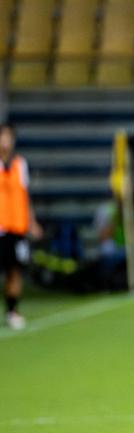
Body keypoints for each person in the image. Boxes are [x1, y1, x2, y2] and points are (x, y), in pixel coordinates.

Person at [0, 122, 42, 329]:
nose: (5, 141)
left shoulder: (20, 164)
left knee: (14, 270)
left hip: (17, 225)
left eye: (8, 137)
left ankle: (12, 310)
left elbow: (25, 196)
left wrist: (31, 222)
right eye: (2, 137)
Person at [93, 190, 134, 290]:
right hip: (115, 246)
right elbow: (102, 237)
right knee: (107, 251)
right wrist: (117, 217)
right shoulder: (106, 209)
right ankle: (105, 285)